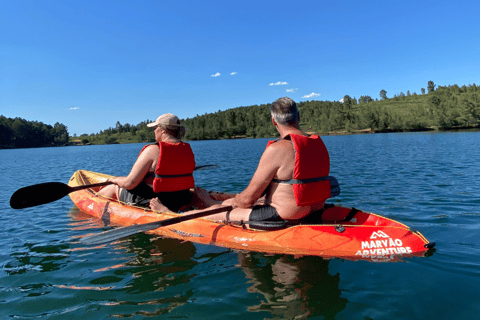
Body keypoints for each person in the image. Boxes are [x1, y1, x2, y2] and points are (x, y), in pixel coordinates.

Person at [150, 97, 338, 229]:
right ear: (298, 118)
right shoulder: (318, 144)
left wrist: (209, 203)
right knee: (241, 201)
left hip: (284, 216)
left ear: (274, 121)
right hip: (314, 210)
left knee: (213, 212)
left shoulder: (278, 149)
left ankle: (168, 214)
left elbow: (247, 200)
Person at [98, 113, 197, 212]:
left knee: (113, 188)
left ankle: (94, 206)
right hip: (181, 198)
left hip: (157, 201)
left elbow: (130, 183)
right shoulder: (186, 149)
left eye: (156, 127)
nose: (154, 130)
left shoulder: (153, 150)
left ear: (163, 130)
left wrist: (115, 180)